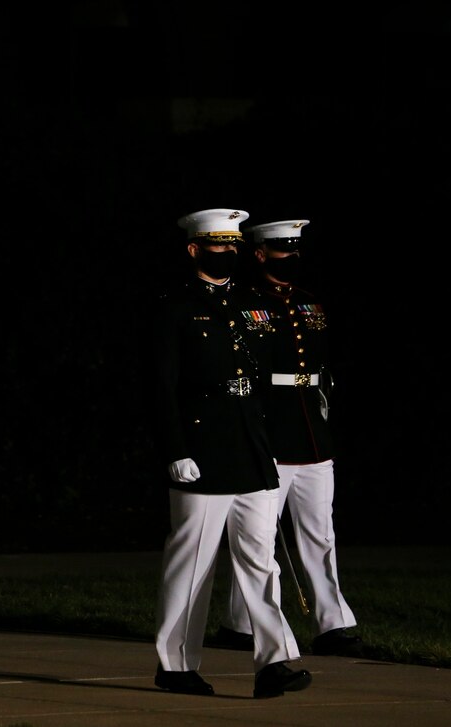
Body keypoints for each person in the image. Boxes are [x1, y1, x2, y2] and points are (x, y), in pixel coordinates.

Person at [149, 208, 311, 699]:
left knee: (262, 561)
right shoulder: (173, 305)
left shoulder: (247, 301)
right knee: (192, 562)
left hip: (251, 448)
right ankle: (175, 665)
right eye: (218, 246)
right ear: (195, 249)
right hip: (203, 449)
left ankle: (274, 663)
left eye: (233, 245)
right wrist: (175, 449)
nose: (228, 253)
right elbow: (160, 386)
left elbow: (262, 380)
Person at [212, 219, 362, 657]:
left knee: (320, 532)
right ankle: (241, 624)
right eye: (282, 250)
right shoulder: (242, 303)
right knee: (258, 539)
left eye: (296, 249)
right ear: (260, 254)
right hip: (270, 429)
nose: (292, 257)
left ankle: (332, 624)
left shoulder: (310, 302)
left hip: (312, 433)